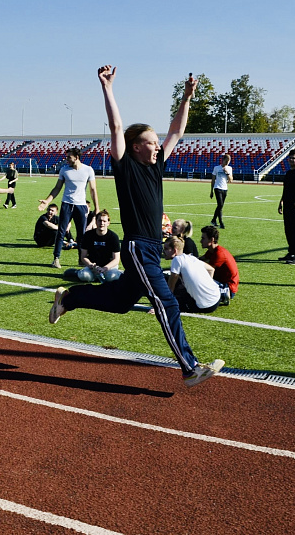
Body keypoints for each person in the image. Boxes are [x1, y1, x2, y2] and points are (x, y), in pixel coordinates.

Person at [48, 65, 224, 388]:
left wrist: (187, 97)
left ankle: (68, 298)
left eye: (158, 143)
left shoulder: (157, 167)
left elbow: (176, 132)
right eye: (151, 142)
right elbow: (116, 125)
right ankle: (189, 368)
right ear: (136, 146)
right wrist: (108, 88)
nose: (158, 146)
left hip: (151, 248)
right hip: (137, 247)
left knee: (120, 302)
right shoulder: (125, 165)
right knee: (167, 302)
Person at [38, 147, 99, 269]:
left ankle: (81, 260)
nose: (67, 160)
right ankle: (56, 259)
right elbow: (57, 188)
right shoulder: (64, 170)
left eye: (69, 157)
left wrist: (97, 207)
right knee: (61, 232)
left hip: (81, 206)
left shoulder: (88, 170)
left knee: (81, 234)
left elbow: (93, 190)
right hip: (66, 204)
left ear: (76, 157)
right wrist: (47, 200)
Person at [163, 236, 221, 313]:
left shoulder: (176, 260)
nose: (163, 251)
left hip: (206, 306)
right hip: (217, 296)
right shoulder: (191, 258)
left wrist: (163, 306)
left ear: (174, 250)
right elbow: (211, 270)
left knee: (174, 296)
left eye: (166, 249)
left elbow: (171, 286)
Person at [63, 209, 121, 283]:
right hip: (93, 267)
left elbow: (116, 259)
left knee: (113, 277)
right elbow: (83, 256)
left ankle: (117, 273)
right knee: (84, 276)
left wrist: (105, 268)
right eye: (99, 220)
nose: (102, 223)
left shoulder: (113, 237)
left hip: (109, 267)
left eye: (104, 221)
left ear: (108, 223)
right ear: (96, 222)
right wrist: (91, 265)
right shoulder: (88, 235)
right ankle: (77, 272)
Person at [199, 225, 239, 304]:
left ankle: (224, 294)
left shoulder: (219, 254)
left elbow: (208, 272)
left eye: (203, 238)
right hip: (221, 282)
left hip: (228, 287)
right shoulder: (212, 251)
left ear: (212, 240)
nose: (201, 241)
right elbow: (200, 259)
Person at [210, 153, 234, 229]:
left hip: (225, 188)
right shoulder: (216, 168)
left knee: (220, 206)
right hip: (217, 188)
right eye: (226, 161)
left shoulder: (229, 168)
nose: (227, 163)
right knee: (220, 205)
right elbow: (213, 180)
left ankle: (213, 220)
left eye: (228, 161)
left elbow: (231, 180)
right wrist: (211, 191)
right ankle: (221, 223)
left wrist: (227, 173)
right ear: (223, 160)